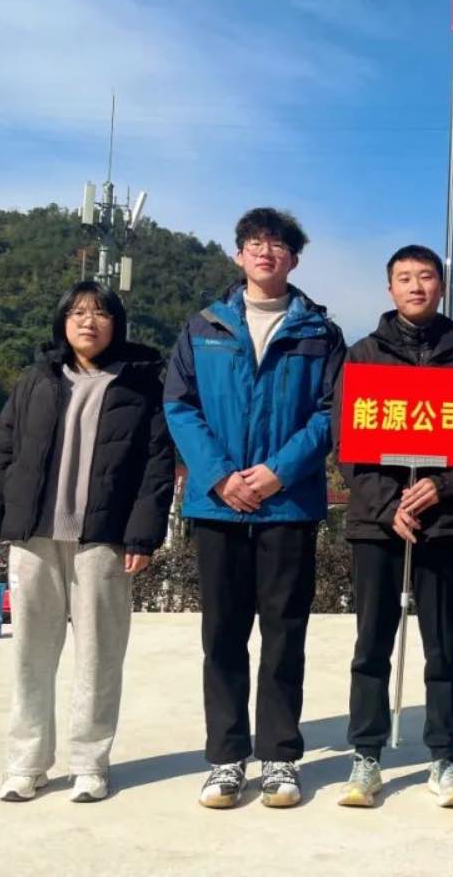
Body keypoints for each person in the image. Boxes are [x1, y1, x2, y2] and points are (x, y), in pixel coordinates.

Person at [164, 207, 344, 810]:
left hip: (287, 507)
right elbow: (180, 406)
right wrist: (219, 476)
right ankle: (225, 758)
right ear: (239, 254)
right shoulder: (204, 327)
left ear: (294, 258)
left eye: (278, 244)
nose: (266, 252)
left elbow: (331, 413)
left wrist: (276, 473)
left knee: (284, 635)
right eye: (255, 243)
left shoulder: (320, 333)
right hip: (218, 507)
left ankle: (279, 756)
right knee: (222, 635)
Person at [0, 281, 174, 803]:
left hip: (102, 539)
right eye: (78, 312)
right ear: (63, 322)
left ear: (116, 325)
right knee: (31, 655)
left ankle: (89, 763)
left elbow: (156, 467)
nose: (89, 321)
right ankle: (26, 763)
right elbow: (1, 451)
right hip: (33, 536)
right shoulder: (36, 380)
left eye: (101, 313)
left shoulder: (140, 385)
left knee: (99, 655)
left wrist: (143, 535)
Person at [331, 245, 453, 809]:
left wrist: (442, 485)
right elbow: (347, 442)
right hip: (378, 524)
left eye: (426, 277)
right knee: (371, 644)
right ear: (390, 288)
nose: (416, 286)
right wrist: (388, 506)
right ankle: (366, 755)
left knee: (443, 646)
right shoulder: (363, 354)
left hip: (445, 522)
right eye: (404, 278)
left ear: (441, 285)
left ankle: (445, 757)